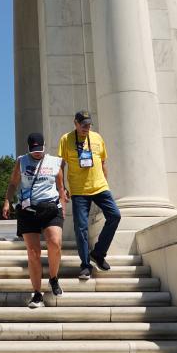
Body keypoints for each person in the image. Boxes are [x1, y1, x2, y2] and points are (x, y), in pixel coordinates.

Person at [1, 132, 68, 309]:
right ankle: (37, 293)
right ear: (29, 148)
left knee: (55, 243)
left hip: (51, 208)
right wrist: (7, 201)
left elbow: (60, 186)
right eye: (34, 150)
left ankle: (53, 278)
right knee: (33, 252)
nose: (37, 153)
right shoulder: (21, 161)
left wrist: (63, 204)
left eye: (40, 149)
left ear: (45, 146)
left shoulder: (55, 161)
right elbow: (13, 183)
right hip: (27, 210)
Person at [58, 110, 121, 281]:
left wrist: (106, 184)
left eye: (88, 124)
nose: (86, 127)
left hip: (100, 187)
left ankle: (98, 253)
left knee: (115, 215)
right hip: (79, 191)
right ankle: (85, 265)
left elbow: (103, 162)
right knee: (81, 228)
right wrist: (62, 188)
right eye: (83, 124)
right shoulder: (66, 139)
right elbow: (60, 166)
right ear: (75, 123)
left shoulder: (98, 138)